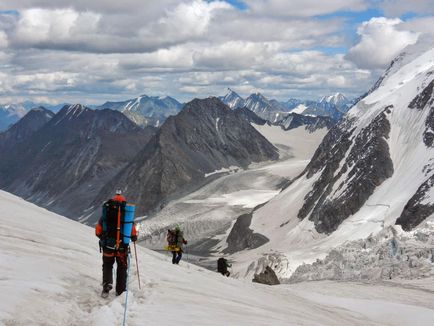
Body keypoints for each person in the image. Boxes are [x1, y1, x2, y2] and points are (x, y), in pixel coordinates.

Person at [95, 190, 137, 298]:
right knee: (122, 267)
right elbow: (132, 232)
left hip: (108, 246)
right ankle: (121, 291)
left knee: (108, 265)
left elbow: (98, 231)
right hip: (122, 247)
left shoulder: (105, 215)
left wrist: (104, 238)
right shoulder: (126, 215)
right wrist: (133, 237)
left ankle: (107, 286)